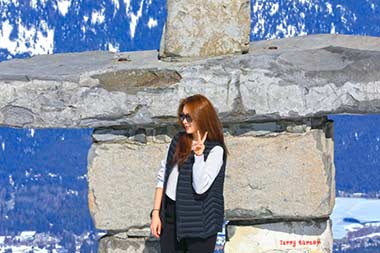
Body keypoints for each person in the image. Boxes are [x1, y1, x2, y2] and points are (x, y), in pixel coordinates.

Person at [150, 94, 229, 253]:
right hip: (171, 216)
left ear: (202, 117)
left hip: (199, 223)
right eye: (182, 116)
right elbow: (162, 178)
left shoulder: (215, 150)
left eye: (189, 117)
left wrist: (199, 156)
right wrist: (156, 213)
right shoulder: (178, 140)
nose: (184, 121)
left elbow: (200, 187)